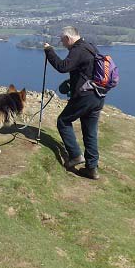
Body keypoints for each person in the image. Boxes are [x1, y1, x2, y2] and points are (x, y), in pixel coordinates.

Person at [43, 26, 104, 180]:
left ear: (68, 38)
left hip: (85, 97)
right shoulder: (90, 47)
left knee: (63, 121)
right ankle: (91, 168)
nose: (63, 44)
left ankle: (76, 155)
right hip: (98, 96)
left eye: (63, 41)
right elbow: (86, 71)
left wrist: (49, 51)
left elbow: (63, 67)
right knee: (90, 132)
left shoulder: (78, 50)